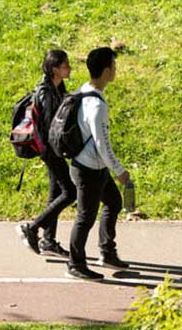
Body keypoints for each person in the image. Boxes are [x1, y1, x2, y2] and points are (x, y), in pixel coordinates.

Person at [65, 46, 132, 281]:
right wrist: (120, 171)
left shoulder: (84, 91)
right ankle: (75, 264)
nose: (115, 70)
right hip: (88, 170)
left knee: (113, 202)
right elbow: (103, 145)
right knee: (85, 217)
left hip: (95, 167)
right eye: (114, 66)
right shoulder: (96, 106)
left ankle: (106, 251)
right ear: (106, 71)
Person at [17, 50, 76, 257]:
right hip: (50, 150)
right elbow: (53, 127)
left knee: (55, 194)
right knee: (70, 192)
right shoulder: (46, 92)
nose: (69, 68)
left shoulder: (57, 87)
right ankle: (32, 228)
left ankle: (48, 241)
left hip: (54, 149)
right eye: (65, 65)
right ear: (54, 69)